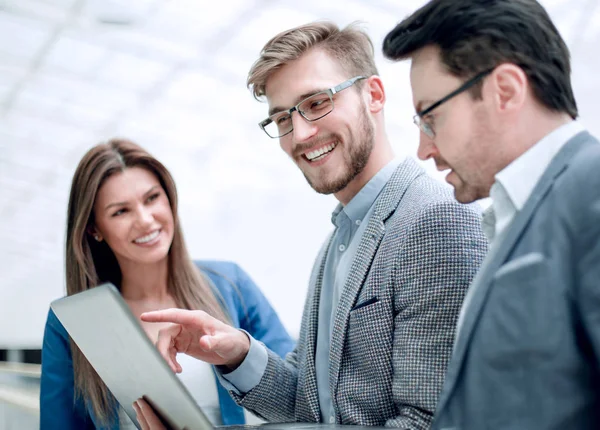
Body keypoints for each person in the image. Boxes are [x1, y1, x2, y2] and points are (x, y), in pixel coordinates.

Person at [138, 21, 488, 429]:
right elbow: (311, 406)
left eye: (317, 102)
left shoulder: (435, 221)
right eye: (283, 118)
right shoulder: (337, 242)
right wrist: (237, 354)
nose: (300, 133)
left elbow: (434, 420)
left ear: (373, 95)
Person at [382, 0, 600, 428]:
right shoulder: (514, 219)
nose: (424, 149)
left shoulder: (590, 194)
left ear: (505, 91)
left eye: (431, 117)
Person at [39, 138, 295, 429]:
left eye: (152, 198)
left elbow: (297, 394)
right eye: (121, 211)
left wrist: (238, 357)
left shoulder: (230, 284)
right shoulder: (73, 322)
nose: (146, 220)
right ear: (94, 229)